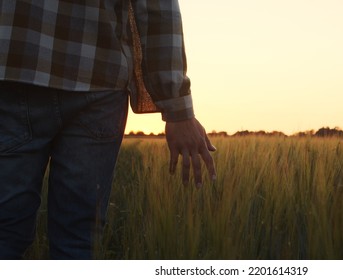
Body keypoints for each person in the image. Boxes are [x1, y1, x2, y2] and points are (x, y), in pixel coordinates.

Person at [0, 0, 216, 259]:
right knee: (79, 238)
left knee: (5, 229)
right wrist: (178, 108)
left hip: (15, 66)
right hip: (98, 75)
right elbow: (158, 7)